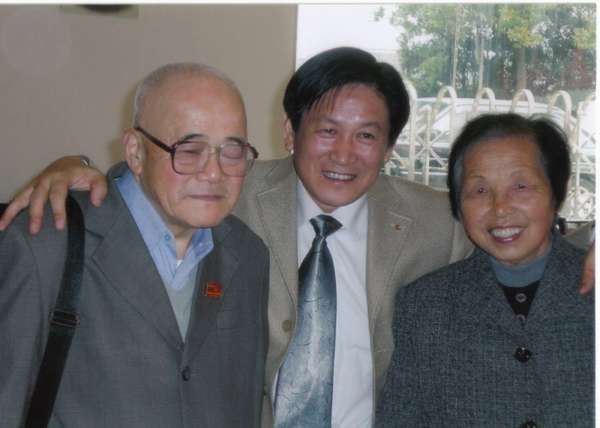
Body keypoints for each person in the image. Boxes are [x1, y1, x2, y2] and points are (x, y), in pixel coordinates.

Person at [0, 48, 593, 427]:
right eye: (326, 130)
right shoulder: (229, 194)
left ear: (389, 147)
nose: (344, 154)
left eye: (367, 136)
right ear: (289, 131)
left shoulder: (439, 218)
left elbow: (521, 232)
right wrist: (72, 168)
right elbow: (158, 178)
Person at [0, 62, 269, 427]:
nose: (214, 172)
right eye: (190, 150)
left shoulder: (248, 254)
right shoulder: (47, 245)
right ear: (135, 151)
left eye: (232, 151)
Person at [376, 113, 594, 427]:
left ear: (555, 193)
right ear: (458, 205)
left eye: (520, 186)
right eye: (479, 191)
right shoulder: (424, 306)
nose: (500, 208)